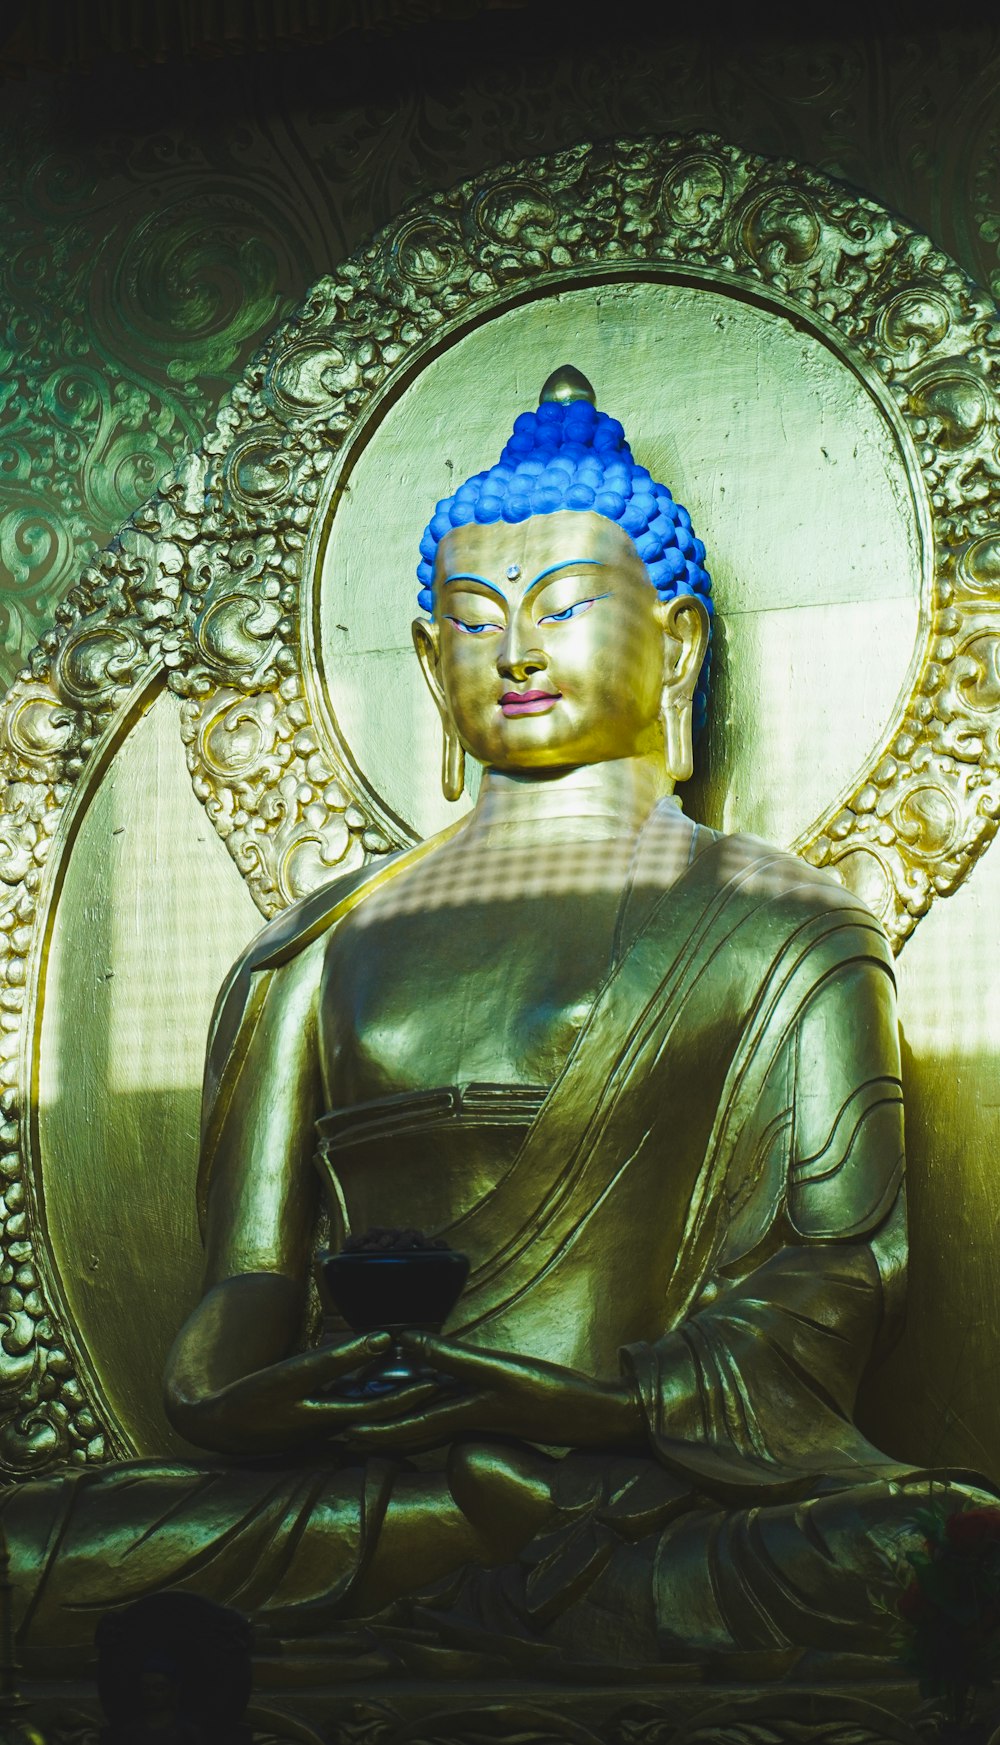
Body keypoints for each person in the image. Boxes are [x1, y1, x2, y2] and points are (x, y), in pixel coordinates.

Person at [2, 368, 989, 1676]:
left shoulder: (783, 927)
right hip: (353, 1500)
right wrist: (237, 1396)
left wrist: (590, 1401)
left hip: (633, 1494)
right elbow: (246, 1291)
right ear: (427, 658)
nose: (517, 650)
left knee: (935, 1551)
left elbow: (834, 1277)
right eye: (474, 618)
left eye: (568, 607)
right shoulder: (319, 945)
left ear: (676, 646)